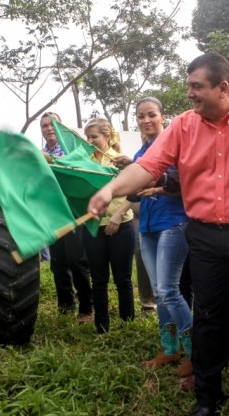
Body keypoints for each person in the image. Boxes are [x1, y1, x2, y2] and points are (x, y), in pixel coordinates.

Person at [88, 53, 229, 416]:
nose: (189, 94)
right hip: (203, 235)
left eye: (197, 87)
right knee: (208, 314)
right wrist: (110, 190)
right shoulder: (183, 126)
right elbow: (148, 166)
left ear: (224, 88)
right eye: (188, 85)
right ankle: (208, 396)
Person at [127, 97, 192, 377]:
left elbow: (185, 183)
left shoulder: (176, 146)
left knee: (169, 289)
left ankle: (196, 352)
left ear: (163, 116)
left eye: (151, 114)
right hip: (147, 227)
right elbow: (132, 194)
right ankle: (169, 349)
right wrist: (124, 171)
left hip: (174, 223)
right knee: (160, 294)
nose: (146, 120)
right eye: (141, 116)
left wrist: (158, 186)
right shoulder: (140, 153)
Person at [82, 118, 135, 334]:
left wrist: (118, 215)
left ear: (107, 136)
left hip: (121, 224)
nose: (91, 141)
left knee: (123, 279)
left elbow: (135, 191)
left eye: (94, 136)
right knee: (99, 279)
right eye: (88, 137)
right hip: (94, 227)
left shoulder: (120, 161)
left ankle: (127, 324)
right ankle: (102, 327)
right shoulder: (84, 161)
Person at [39, 112, 93, 319]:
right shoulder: (40, 153)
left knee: (76, 259)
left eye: (53, 124)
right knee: (58, 261)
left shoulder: (73, 149)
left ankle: (87, 307)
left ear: (61, 127)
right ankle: (65, 306)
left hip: (74, 212)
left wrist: (50, 160)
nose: (49, 128)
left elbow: (74, 170)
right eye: (44, 126)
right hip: (53, 213)